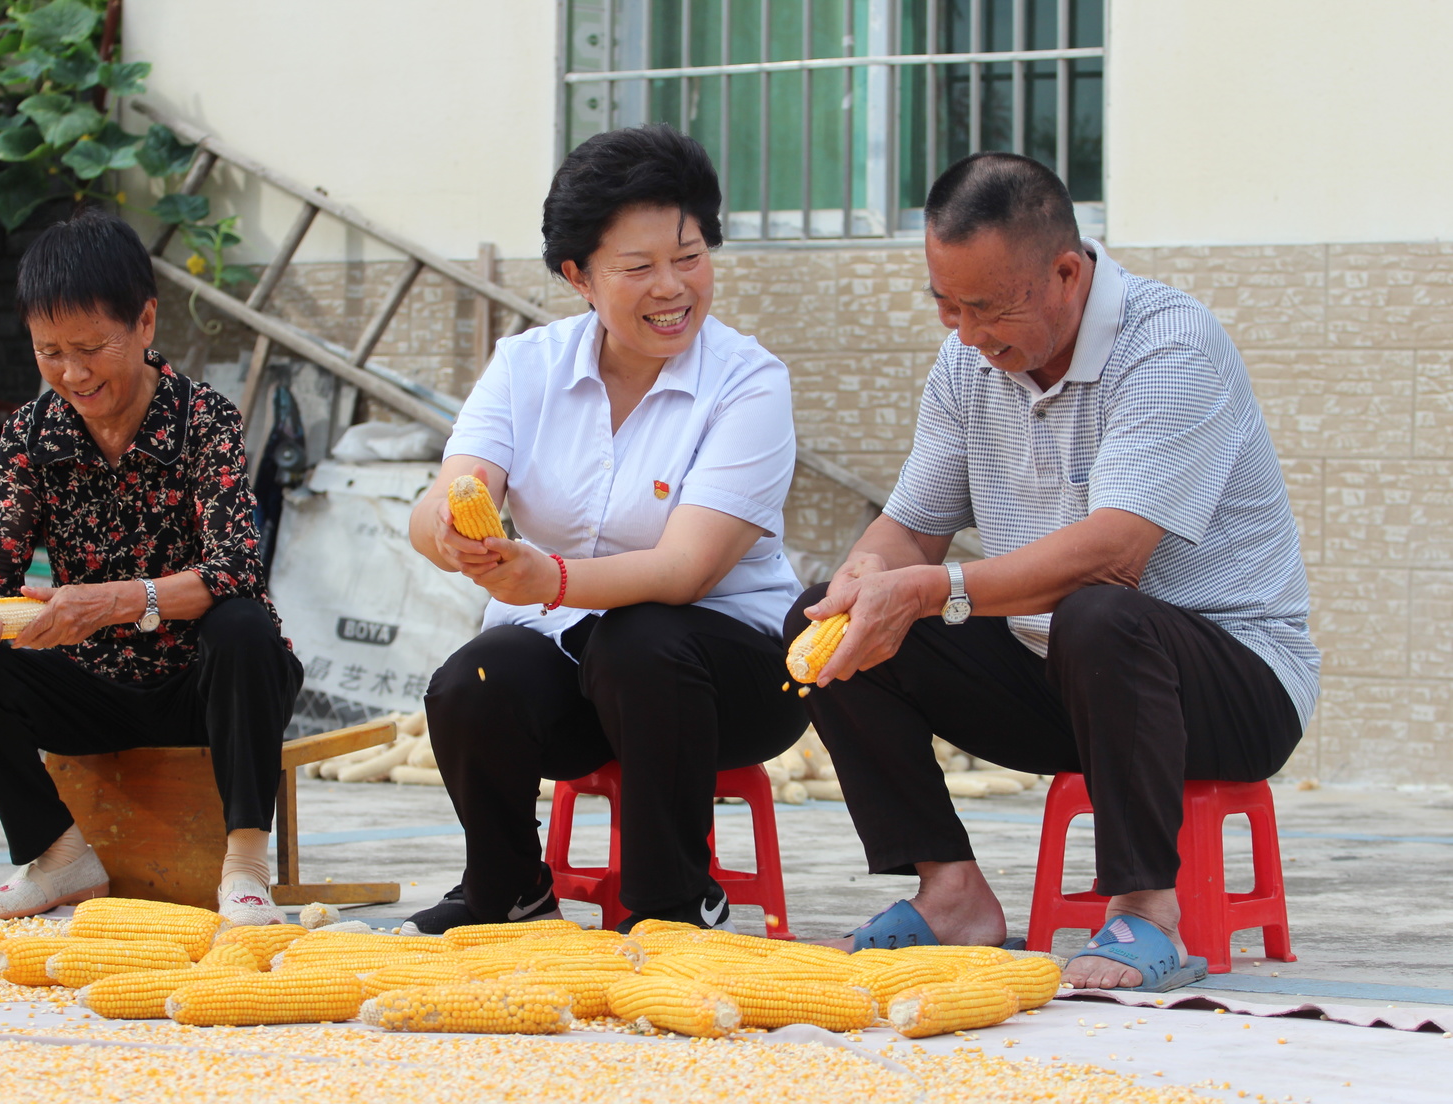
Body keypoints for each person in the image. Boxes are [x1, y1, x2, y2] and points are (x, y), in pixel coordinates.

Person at [787, 152, 1318, 992]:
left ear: (1066, 273)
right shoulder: (967, 363)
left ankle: (1146, 909)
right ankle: (951, 892)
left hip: (1231, 681)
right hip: (1066, 679)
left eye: (986, 308)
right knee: (824, 616)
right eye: (944, 303)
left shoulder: (1171, 344)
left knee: (1100, 612)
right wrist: (865, 577)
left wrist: (940, 589)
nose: (963, 331)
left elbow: (1115, 554)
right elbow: (912, 528)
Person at [403, 124, 808, 935]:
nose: (673, 287)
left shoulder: (749, 384)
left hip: (728, 676)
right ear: (577, 276)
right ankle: (508, 890)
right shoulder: (527, 366)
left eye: (689, 256)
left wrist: (548, 579)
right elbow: (448, 492)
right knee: (470, 682)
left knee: (640, 643)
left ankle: (672, 899)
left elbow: (685, 570)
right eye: (638, 267)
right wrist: (449, 526)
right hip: (575, 674)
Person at [0, 209, 303, 926]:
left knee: (245, 625)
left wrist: (110, 601)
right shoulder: (28, 436)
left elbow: (236, 570)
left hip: (207, 687)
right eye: (49, 352)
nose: (73, 373)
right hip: (93, 689)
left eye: (92, 347)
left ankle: (247, 864)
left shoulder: (204, 420)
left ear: (145, 322)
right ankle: (58, 856)